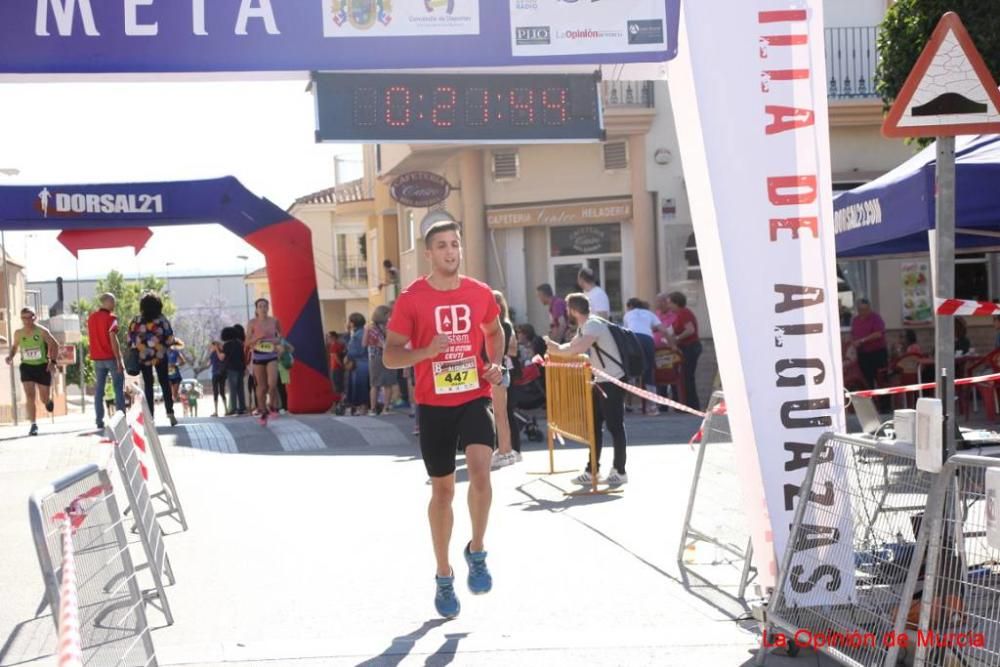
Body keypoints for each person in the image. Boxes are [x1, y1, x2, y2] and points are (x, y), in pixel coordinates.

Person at [383, 220, 505, 620]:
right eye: (442, 246)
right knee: (443, 493)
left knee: (481, 472)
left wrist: (495, 363)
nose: (451, 251)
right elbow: (390, 355)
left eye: (455, 243)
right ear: (429, 254)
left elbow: (494, 329)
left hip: (473, 395)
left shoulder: (480, 292)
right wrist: (425, 352)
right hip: (434, 405)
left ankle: (478, 550)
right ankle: (443, 573)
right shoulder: (412, 299)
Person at [546, 293, 628, 486]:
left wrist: (556, 350)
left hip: (612, 380)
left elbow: (578, 349)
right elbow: (572, 346)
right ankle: (592, 470)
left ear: (573, 310)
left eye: (568, 309)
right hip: (600, 380)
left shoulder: (593, 325)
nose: (567, 312)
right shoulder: (587, 325)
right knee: (593, 426)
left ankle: (620, 470)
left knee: (615, 426)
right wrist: (555, 347)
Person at [127, 293, 178, 426]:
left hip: (143, 357)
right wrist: (162, 348)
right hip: (160, 356)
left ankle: (150, 417)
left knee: (148, 385)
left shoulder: (136, 320)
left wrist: (140, 348)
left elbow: (130, 339)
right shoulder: (162, 320)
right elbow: (170, 337)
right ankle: (170, 413)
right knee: (165, 383)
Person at [5, 308, 58, 436]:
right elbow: (15, 346)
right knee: (29, 395)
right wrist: (11, 356)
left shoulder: (42, 331)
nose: (27, 321)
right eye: (24, 318)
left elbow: (54, 344)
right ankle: (33, 425)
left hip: (41, 367)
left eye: (29, 317)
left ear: (34, 317)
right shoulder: (18, 333)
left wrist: (53, 362)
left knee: (43, 397)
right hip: (27, 367)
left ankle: (48, 401)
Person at [491, 290, 521, 469]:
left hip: (498, 371)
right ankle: (506, 449)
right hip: (502, 370)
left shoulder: (502, 325)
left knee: (502, 414)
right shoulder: (504, 324)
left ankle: (506, 450)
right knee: (502, 414)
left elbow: (504, 350)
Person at [87, 292, 125, 430]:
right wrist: (119, 360)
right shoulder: (111, 318)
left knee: (99, 391)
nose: (114, 304)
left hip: (97, 359)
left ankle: (99, 420)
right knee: (118, 388)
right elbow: (113, 339)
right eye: (113, 302)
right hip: (110, 357)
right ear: (107, 302)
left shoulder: (91, 318)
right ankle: (121, 418)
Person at [663, 291, 702, 411]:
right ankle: (688, 404)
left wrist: (677, 338)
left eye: (670, 303)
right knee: (685, 377)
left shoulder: (684, 312)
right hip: (686, 347)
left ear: (676, 303)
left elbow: (690, 330)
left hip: (691, 347)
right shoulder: (679, 314)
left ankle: (692, 405)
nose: (668, 306)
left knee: (687, 377)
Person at [623, 297, 662, 416]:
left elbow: (625, 330)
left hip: (632, 339)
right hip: (647, 339)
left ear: (630, 307)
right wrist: (673, 344)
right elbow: (663, 329)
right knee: (649, 371)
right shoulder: (649, 313)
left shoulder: (628, 314)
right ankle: (652, 407)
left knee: (629, 371)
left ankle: (627, 404)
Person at [247, 298, 282, 426]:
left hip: (271, 355)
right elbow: (246, 342)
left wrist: (272, 342)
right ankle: (263, 412)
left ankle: (272, 405)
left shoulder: (274, 321)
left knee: (272, 384)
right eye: (260, 306)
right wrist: (257, 338)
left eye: (265, 306)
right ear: (256, 309)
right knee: (261, 387)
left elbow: (281, 338)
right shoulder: (252, 323)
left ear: (268, 308)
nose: (263, 308)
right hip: (258, 356)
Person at [365, 305, 399, 414]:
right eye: (389, 314)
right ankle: (384, 408)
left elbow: (364, 343)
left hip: (374, 357)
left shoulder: (371, 327)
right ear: (383, 314)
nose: (391, 316)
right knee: (384, 383)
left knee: (376, 384)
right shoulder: (377, 327)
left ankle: (375, 409)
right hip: (381, 356)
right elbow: (383, 344)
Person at [849, 298, 888, 392]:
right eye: (860, 310)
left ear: (869, 309)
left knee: (881, 380)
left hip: (877, 353)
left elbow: (878, 333)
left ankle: (885, 405)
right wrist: (854, 343)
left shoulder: (876, 318)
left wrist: (862, 340)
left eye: (865, 309)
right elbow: (853, 334)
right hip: (863, 354)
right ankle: (872, 403)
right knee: (866, 380)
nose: (863, 312)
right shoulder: (855, 320)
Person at [345, 312, 370, 415]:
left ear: (353, 322)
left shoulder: (357, 335)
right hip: (364, 362)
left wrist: (348, 356)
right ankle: (363, 407)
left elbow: (355, 350)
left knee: (359, 386)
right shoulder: (362, 332)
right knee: (363, 386)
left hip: (359, 363)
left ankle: (362, 408)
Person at [218, 326, 247, 416]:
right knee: (240, 388)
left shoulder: (227, 345)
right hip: (240, 368)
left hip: (231, 368)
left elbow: (222, 357)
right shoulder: (239, 344)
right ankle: (242, 407)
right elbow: (243, 356)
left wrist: (217, 349)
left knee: (233, 389)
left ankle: (233, 408)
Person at [276, 337, 295, 413]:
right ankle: (283, 406)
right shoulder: (281, 340)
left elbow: (291, 349)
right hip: (279, 366)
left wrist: (282, 353)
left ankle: (283, 406)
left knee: (280, 387)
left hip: (281, 366)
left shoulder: (280, 340)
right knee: (280, 387)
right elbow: (292, 348)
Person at [208, 341, 226, 417]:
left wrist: (217, 350)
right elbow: (209, 364)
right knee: (215, 392)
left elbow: (221, 358)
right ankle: (216, 411)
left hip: (221, 374)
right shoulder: (212, 354)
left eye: (213, 346)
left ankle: (226, 409)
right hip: (214, 374)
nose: (212, 348)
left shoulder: (222, 352)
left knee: (222, 391)